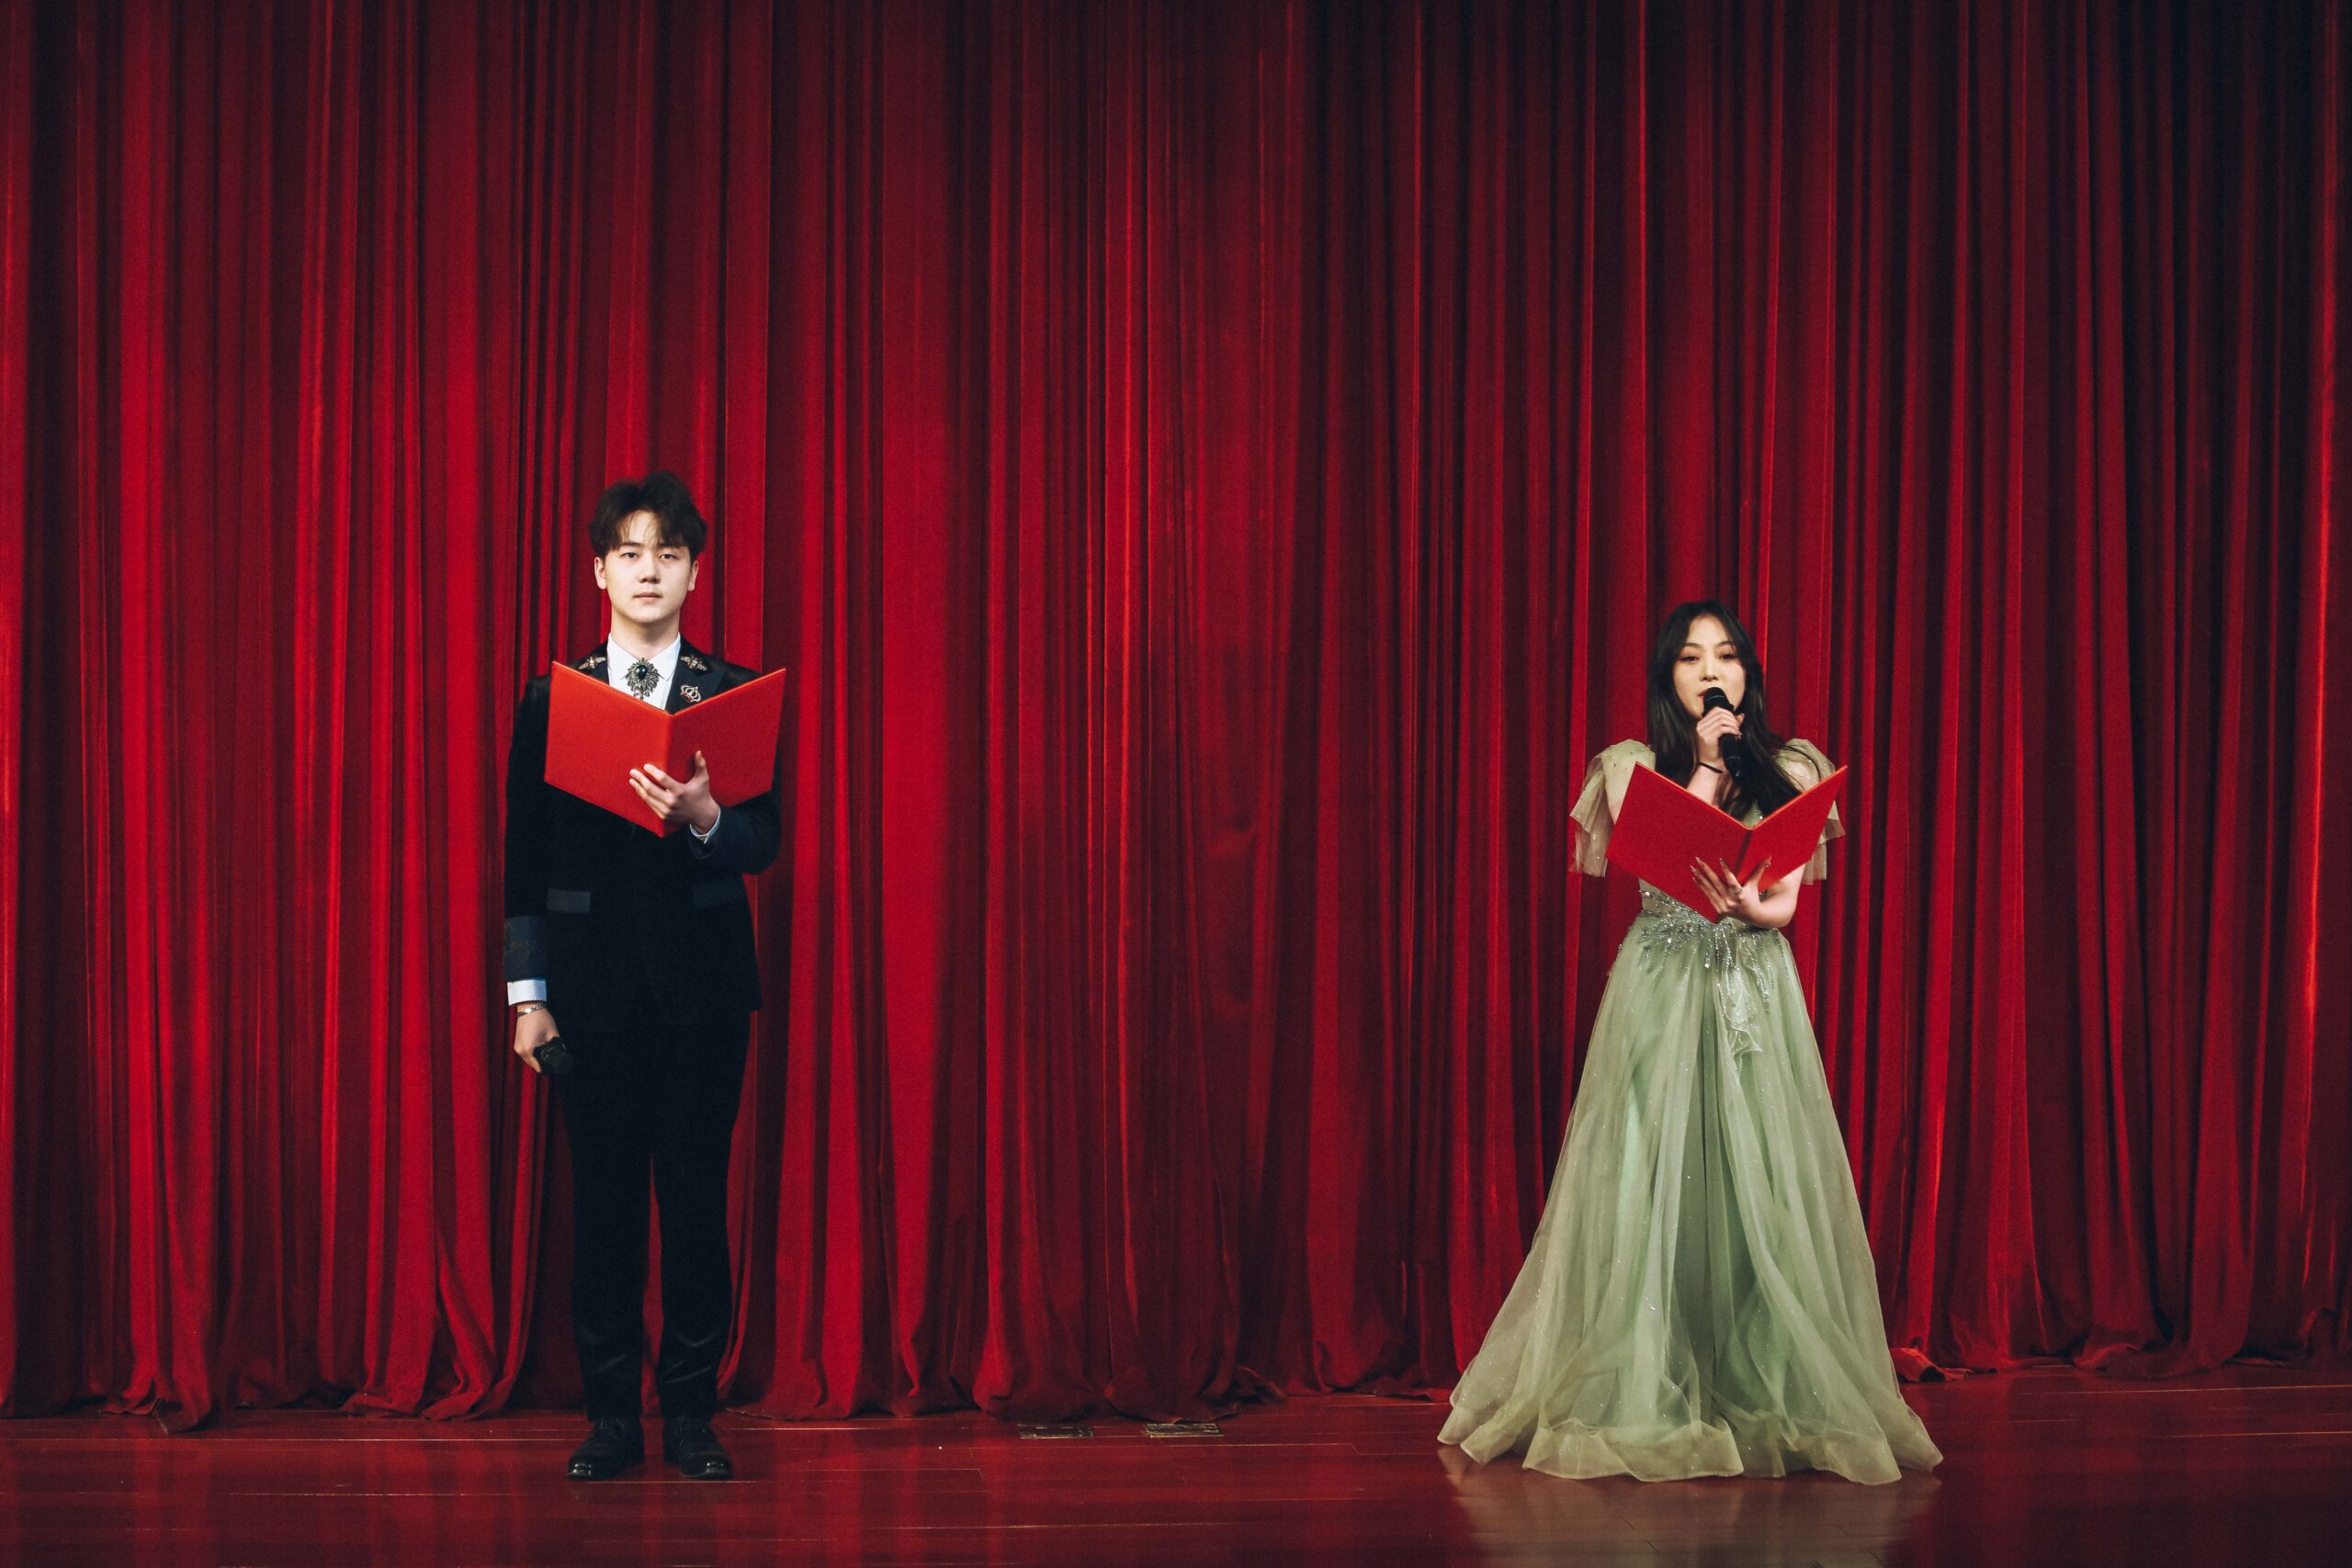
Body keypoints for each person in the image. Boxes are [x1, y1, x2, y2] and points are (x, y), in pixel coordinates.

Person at [1439, 600, 1940, 1484]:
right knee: (1647, 1169)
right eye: (1692, 658)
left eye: (1728, 656)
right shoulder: (1634, 767)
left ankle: (1765, 1374)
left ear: (1748, 673)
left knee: (1762, 1171)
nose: (1713, 671)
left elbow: (1784, 899)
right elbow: (1659, 869)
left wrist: (1754, 907)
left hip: (1754, 984)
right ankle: (1641, 1377)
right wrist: (1707, 769)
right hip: (1663, 983)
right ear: (1669, 678)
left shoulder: (1790, 766)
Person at [502, 472, 783, 1481]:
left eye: (668, 553)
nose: (649, 570)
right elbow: (524, 858)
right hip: (591, 996)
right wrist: (528, 999)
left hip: (704, 995)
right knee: (607, 1210)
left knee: (697, 1206)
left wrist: (706, 818)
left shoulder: (731, 693)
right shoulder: (554, 696)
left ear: (695, 573)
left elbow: (762, 842)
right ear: (599, 572)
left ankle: (692, 1414)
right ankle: (613, 1416)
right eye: (630, 553)